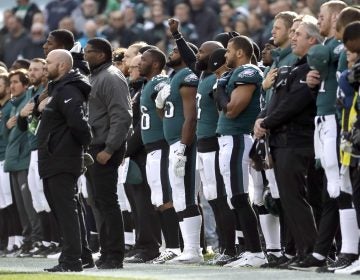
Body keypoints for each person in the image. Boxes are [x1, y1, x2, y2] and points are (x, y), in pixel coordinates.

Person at [168, 18, 237, 266]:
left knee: (222, 197)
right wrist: (177, 36)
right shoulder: (203, 74)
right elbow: (189, 57)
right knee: (212, 196)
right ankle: (225, 248)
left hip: (217, 141)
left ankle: (231, 247)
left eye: (202, 52)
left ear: (215, 57)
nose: (197, 56)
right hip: (204, 143)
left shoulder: (221, 77)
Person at [254, 20, 321, 267]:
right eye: (291, 33)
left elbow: (295, 102)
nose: (293, 38)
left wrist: (266, 122)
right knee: (289, 199)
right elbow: (280, 101)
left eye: (298, 34)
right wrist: (263, 119)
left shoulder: (312, 66)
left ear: (312, 40)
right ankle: (302, 250)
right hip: (283, 140)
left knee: (298, 198)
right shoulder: (295, 66)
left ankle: (313, 250)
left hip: (297, 139)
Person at [213, 35, 265, 267]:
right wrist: (221, 89)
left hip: (238, 139)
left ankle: (256, 251)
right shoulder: (232, 74)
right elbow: (223, 105)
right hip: (228, 139)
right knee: (236, 199)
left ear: (240, 53)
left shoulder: (249, 72)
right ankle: (250, 250)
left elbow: (231, 110)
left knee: (240, 197)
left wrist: (220, 90)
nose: (225, 55)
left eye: (228, 51)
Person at [38, 49, 92, 272]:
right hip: (54, 158)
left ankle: (71, 260)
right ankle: (82, 255)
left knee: (66, 211)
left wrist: (82, 147)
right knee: (65, 210)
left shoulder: (69, 89)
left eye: (48, 63)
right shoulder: (59, 89)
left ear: (61, 65)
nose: (44, 67)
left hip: (63, 158)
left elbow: (79, 124)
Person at [84, 38, 132, 269]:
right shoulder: (96, 76)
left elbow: (122, 115)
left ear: (102, 55)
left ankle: (114, 255)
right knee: (99, 203)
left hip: (104, 147)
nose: (84, 55)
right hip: (95, 147)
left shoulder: (111, 77)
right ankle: (106, 252)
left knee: (108, 203)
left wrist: (109, 148)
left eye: (89, 52)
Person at [155, 43, 203, 264]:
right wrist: (159, 103)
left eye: (175, 50)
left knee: (185, 196)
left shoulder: (187, 76)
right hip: (174, 142)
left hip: (183, 143)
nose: (171, 53)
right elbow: (167, 117)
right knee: (179, 197)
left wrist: (183, 146)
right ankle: (189, 249)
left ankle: (194, 249)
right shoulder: (175, 77)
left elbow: (191, 117)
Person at [139, 48, 182, 264]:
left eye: (144, 59)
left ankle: (174, 247)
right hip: (152, 149)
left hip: (162, 146)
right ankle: (170, 246)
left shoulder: (158, 82)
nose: (139, 62)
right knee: (159, 199)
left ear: (155, 64)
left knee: (167, 200)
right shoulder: (147, 83)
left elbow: (167, 98)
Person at [5, 69, 43, 257]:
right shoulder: (15, 103)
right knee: (21, 206)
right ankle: (28, 241)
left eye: (15, 82)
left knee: (32, 204)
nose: (12, 86)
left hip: (24, 158)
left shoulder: (27, 99)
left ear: (26, 85)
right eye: (10, 82)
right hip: (14, 160)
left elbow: (27, 127)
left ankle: (37, 240)